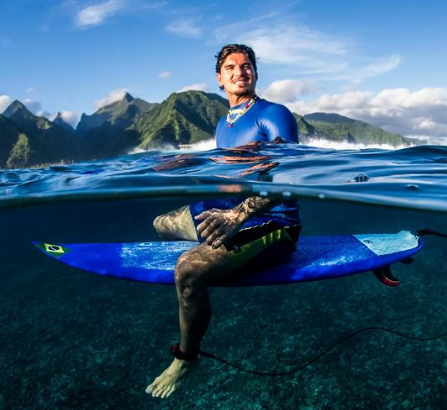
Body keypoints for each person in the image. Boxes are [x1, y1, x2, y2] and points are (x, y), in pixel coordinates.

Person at [146, 44, 300, 399]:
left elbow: (288, 177)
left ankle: (187, 357)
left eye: (246, 66)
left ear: (256, 73)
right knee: (161, 224)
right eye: (230, 67)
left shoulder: (273, 115)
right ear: (219, 78)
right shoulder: (222, 123)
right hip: (226, 212)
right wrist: (191, 164)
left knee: (186, 270)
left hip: (273, 223)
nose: (239, 71)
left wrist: (236, 215)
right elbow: (231, 170)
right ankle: (206, 275)